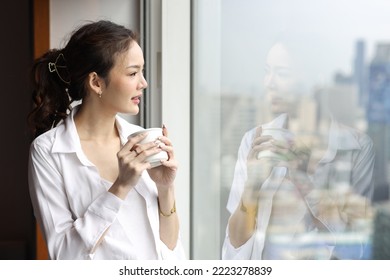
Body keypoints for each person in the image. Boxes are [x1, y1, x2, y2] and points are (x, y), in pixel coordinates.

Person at [27, 20, 185, 260]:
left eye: (142, 72)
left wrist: (165, 187)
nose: (144, 83)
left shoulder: (141, 140)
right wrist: (120, 186)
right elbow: (64, 255)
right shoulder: (48, 151)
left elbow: (171, 246)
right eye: (133, 73)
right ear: (96, 82)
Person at [222, 36, 375, 260]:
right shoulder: (253, 141)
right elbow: (234, 246)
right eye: (267, 71)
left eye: (282, 74)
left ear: (314, 81)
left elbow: (357, 249)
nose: (269, 83)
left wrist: (302, 177)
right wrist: (252, 186)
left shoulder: (357, 148)